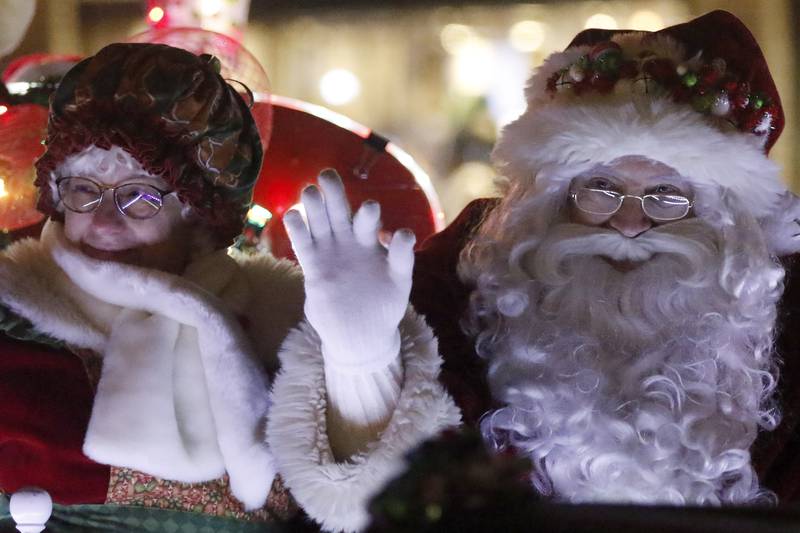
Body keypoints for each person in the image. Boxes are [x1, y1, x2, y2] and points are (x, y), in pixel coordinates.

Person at [276, 10, 800, 531]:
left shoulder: (788, 319)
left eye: (667, 196)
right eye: (601, 190)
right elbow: (378, 506)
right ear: (551, 199)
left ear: (719, 218)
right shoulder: (460, 281)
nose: (629, 222)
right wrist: (361, 360)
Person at [0, 42, 460, 532]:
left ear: (197, 215)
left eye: (139, 196)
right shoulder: (13, 320)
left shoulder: (277, 329)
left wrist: (360, 360)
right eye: (84, 191)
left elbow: (380, 509)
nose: (106, 222)